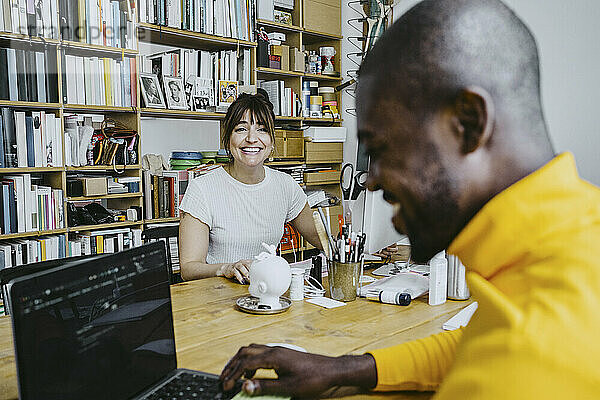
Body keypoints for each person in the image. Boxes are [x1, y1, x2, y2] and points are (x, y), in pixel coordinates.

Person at [219, 0, 600, 398]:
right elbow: (470, 342)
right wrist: (345, 369)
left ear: (468, 124)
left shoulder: (524, 365)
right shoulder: (573, 232)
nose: (371, 182)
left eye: (381, 150)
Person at [178, 93, 322, 283]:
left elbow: (322, 239)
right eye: (241, 129)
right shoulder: (202, 188)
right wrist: (226, 268)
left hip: (267, 293)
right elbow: (188, 268)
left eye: (262, 129)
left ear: (271, 140)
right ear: (228, 138)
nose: (252, 138)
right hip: (217, 299)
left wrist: (363, 247)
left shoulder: (286, 185)